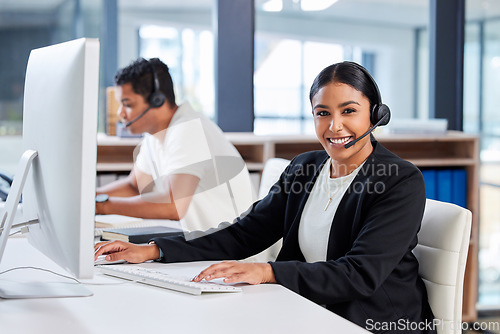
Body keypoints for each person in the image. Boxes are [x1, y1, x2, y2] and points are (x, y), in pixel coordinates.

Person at [95, 61, 436, 333]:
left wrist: (269, 272)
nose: (334, 126)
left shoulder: (400, 181)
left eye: (348, 111)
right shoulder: (305, 168)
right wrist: (155, 249)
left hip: (369, 321)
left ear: (375, 114)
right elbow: (245, 233)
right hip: (307, 308)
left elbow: (360, 275)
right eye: (323, 113)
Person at [95, 58, 254, 233]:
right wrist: (92, 197)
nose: (120, 113)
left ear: (157, 100)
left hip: (236, 249)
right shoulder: (156, 135)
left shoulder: (188, 130)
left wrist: (102, 206)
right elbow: (134, 186)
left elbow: (173, 206)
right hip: (203, 241)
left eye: (128, 104)